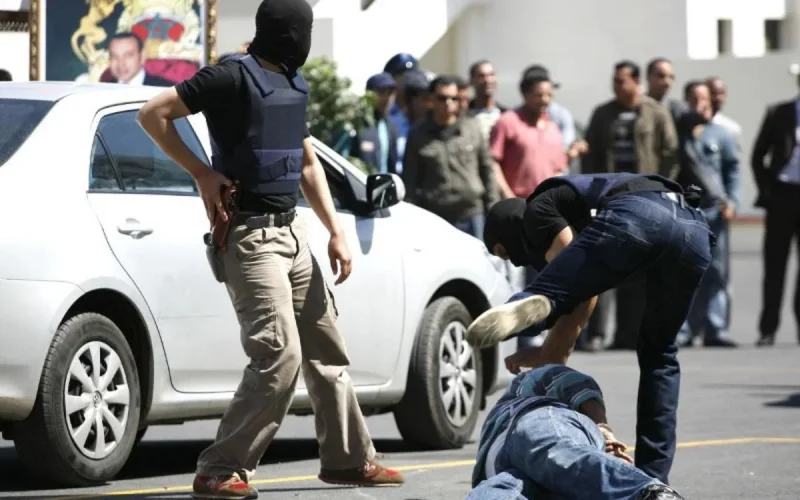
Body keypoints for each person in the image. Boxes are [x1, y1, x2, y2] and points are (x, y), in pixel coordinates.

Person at [135, 0, 404, 498]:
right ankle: (219, 468)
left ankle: (349, 460)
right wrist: (201, 173)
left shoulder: (292, 83)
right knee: (278, 357)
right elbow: (153, 114)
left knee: (326, 350)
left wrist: (335, 231)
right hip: (250, 236)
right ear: (284, 32)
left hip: (292, 233)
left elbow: (306, 163)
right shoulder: (230, 77)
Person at [465, 172, 713, 485]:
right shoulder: (573, 204)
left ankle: (536, 301)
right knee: (659, 355)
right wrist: (546, 355)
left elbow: (582, 291)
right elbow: (584, 296)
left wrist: (549, 364)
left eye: (505, 252)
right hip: (694, 230)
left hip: (639, 215)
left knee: (561, 290)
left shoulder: (537, 211)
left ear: (511, 228)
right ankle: (654, 479)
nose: (515, 263)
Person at [468, 363, 685, 500]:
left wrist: (602, 429)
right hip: (513, 471)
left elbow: (573, 381)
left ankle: (648, 493)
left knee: (551, 448)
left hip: (537, 421)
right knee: (505, 487)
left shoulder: (525, 389)